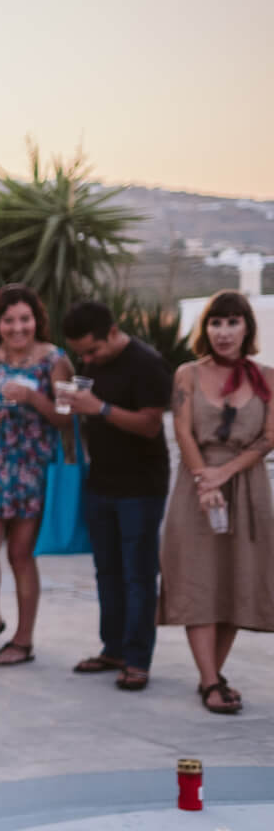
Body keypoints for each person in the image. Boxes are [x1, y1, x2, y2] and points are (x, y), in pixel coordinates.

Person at [159, 290, 274, 714]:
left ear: (247, 328)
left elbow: (269, 437)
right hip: (197, 485)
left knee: (235, 581)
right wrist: (204, 481)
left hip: (246, 487)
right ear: (205, 328)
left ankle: (213, 674)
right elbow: (184, 432)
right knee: (197, 579)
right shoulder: (187, 374)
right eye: (215, 322)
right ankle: (210, 681)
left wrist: (224, 475)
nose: (223, 332)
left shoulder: (268, 377)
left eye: (232, 322)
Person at [59, 299, 174, 692]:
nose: (88, 359)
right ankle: (114, 649)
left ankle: (138, 660)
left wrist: (100, 407)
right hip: (101, 482)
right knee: (106, 572)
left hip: (141, 486)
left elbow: (149, 425)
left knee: (138, 575)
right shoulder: (91, 365)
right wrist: (72, 403)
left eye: (92, 350)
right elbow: (78, 407)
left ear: (112, 331)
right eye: (81, 354)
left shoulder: (147, 362)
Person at [0, 283, 74, 666]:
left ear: (36, 320)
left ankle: (24, 640)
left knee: (21, 555)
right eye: (9, 320)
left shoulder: (55, 359)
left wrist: (34, 398)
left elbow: (66, 416)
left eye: (25, 319)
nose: (18, 327)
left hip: (32, 467)